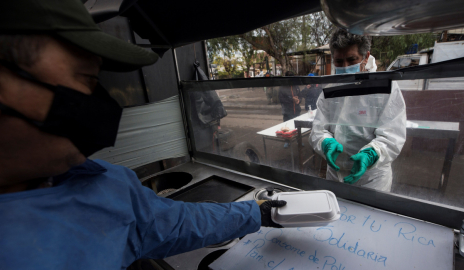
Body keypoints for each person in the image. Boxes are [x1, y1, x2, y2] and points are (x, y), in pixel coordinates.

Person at [0, 1, 286, 269]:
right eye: (85, 78)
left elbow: (169, 222)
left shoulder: (99, 183)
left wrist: (253, 213)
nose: (101, 102)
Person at [309, 28, 406, 192]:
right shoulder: (331, 87)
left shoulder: (384, 87)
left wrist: (372, 154)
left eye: (352, 59)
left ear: (366, 57)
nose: (345, 66)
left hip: (371, 178)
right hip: (335, 172)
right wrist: (325, 141)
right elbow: (319, 128)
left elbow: (393, 134)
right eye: (339, 62)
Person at [278, 71, 301, 148]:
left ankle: (299, 140)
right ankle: (287, 141)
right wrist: (292, 100)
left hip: (296, 110)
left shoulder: (296, 86)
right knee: (287, 127)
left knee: (297, 127)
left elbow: (300, 96)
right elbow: (281, 100)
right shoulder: (282, 87)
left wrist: (298, 100)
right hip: (287, 111)